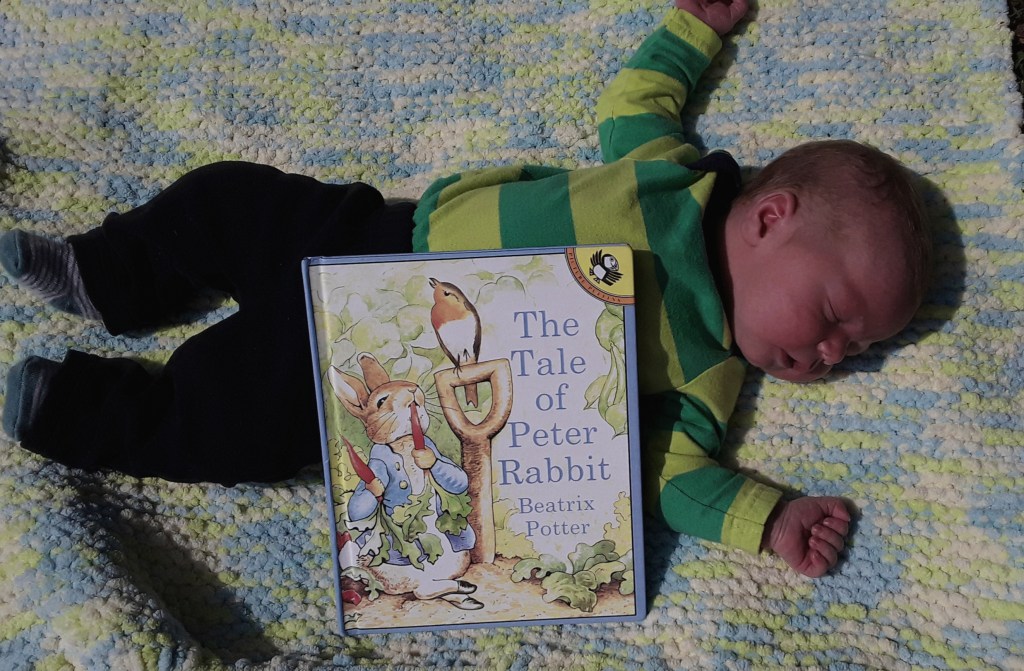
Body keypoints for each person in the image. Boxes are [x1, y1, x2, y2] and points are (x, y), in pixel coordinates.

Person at [0, 0, 929, 579]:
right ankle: (106, 272)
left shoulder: (708, 375)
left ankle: (80, 409)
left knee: (227, 425)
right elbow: (634, 102)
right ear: (771, 218)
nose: (833, 353)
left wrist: (770, 518)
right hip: (379, 235)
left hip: (394, 376)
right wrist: (692, 29)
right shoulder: (668, 178)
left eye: (858, 348)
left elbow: (669, 478)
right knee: (228, 199)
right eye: (834, 314)